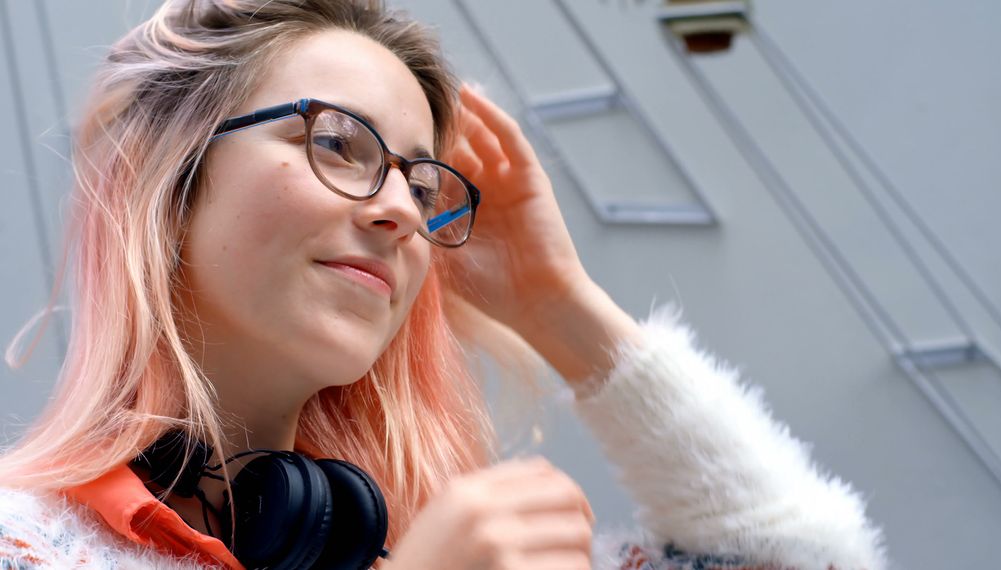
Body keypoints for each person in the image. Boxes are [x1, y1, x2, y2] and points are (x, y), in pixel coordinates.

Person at [0, 1, 887, 568]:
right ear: (173, 178)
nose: (399, 210)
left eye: (423, 184)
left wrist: (555, 302)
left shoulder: (414, 548)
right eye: (339, 143)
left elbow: (802, 558)